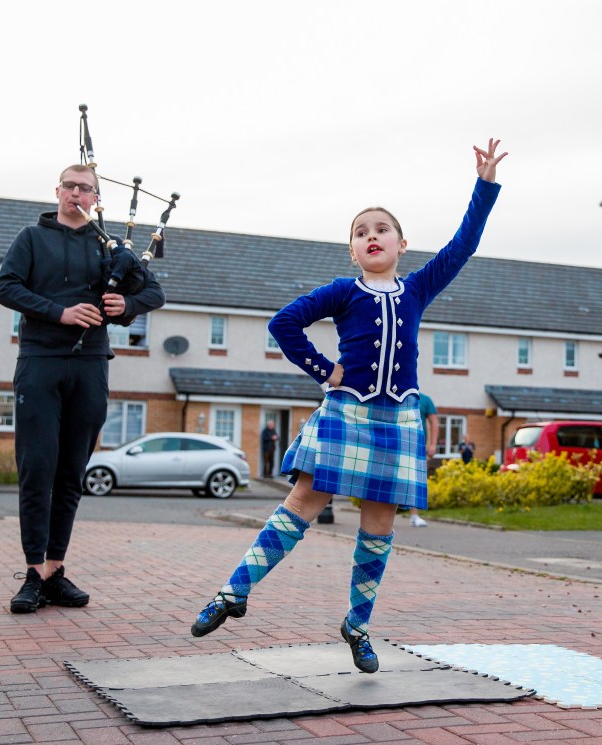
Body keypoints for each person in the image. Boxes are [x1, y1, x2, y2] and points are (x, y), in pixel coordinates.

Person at [190, 139, 506, 673]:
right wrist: (324, 370)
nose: (371, 236)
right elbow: (283, 324)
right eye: (361, 232)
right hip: (346, 412)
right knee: (304, 500)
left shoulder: (418, 288)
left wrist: (486, 184)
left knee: (379, 523)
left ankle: (357, 625)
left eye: (381, 229)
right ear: (353, 251)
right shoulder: (343, 290)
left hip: (398, 418)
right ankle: (232, 592)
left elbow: (465, 244)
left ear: (401, 244)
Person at [0, 164, 165, 614]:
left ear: (95, 197)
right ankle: (33, 574)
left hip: (90, 365)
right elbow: (5, 288)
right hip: (40, 363)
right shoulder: (31, 238)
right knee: (37, 468)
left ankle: (55, 571)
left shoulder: (107, 245)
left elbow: (154, 293)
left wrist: (126, 304)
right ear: (57, 191)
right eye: (69, 186)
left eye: (85, 188)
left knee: (71, 471)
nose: (76, 193)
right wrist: (59, 312)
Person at [410, 392, 439, 527]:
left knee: (416, 479)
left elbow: (434, 421)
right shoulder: (400, 395)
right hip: (399, 442)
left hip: (418, 445)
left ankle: (414, 515)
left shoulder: (425, 399)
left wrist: (433, 444)